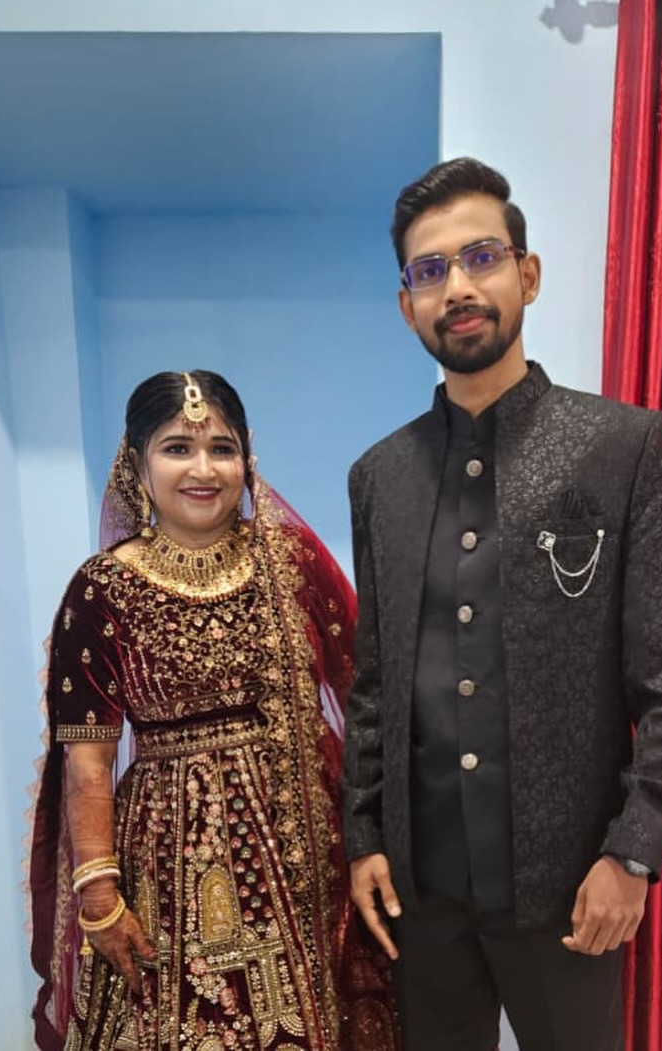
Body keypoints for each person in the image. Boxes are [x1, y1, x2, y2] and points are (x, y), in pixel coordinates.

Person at [342, 158, 662, 1051]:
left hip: (571, 887)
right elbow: (376, 681)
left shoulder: (622, 446)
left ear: (527, 274)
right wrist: (364, 835)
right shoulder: (380, 477)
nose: (457, 288)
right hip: (423, 896)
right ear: (407, 305)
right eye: (430, 270)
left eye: (481, 257)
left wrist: (632, 852)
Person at [29, 370, 398, 1051]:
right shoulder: (103, 587)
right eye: (177, 448)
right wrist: (99, 895)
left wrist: (371, 840)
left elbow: (363, 695)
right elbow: (88, 758)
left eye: (221, 449)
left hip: (301, 850)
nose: (203, 469)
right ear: (136, 463)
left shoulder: (290, 562)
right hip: (162, 866)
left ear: (247, 457)